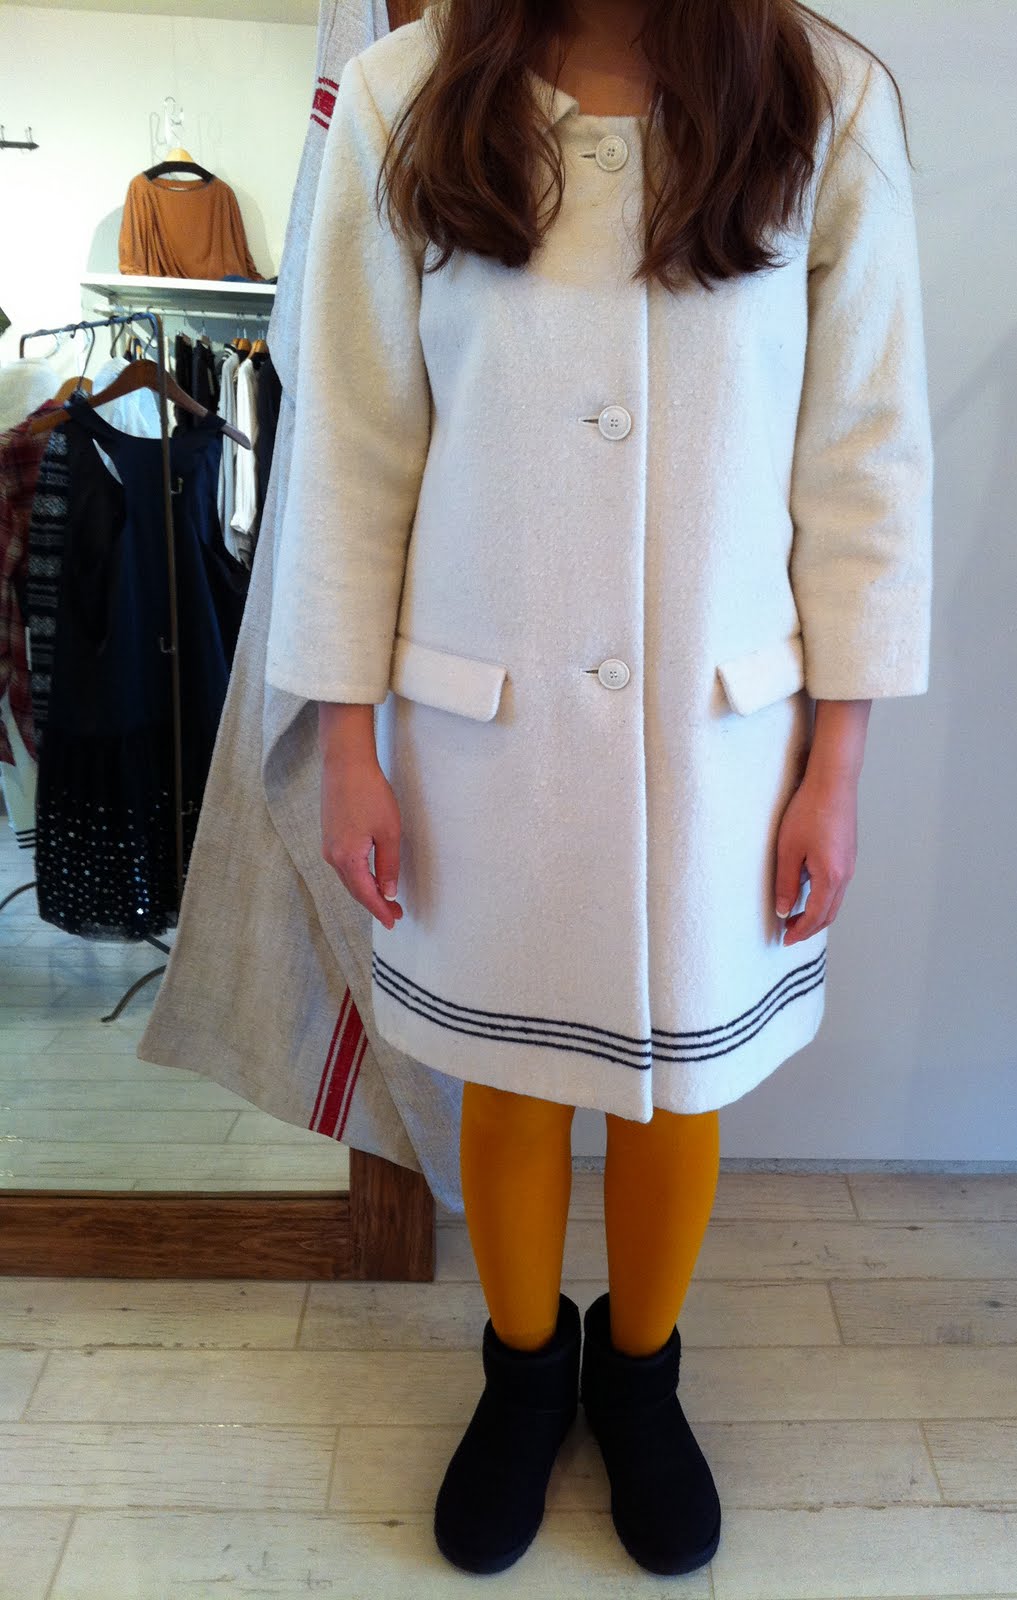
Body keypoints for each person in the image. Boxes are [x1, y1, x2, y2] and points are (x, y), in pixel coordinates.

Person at [264, 0, 933, 1578]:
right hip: (477, 727)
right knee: (507, 1072)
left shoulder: (822, 99)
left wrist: (839, 762)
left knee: (680, 1076)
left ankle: (640, 1378)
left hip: (722, 734)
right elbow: (354, 442)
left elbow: (865, 450)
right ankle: (522, 1375)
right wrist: (346, 741)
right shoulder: (407, 96)